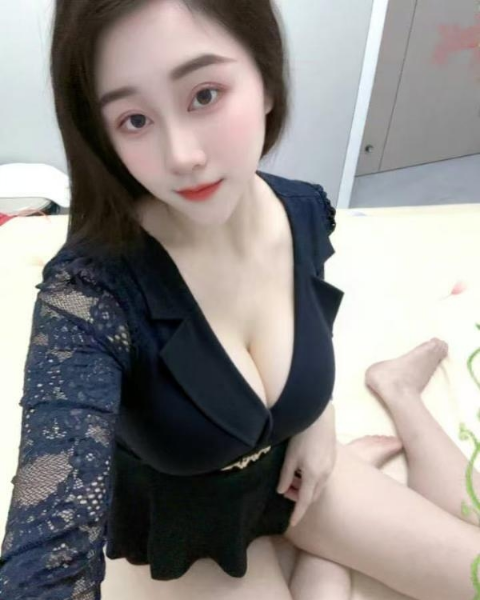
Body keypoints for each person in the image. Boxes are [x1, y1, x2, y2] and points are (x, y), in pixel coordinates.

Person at [0, 1, 478, 599]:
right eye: (134, 120)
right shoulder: (88, 298)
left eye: (204, 95)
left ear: (266, 80)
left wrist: (317, 417)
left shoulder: (305, 211)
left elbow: (309, 313)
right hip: (184, 519)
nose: (182, 156)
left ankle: (398, 391)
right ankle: (323, 554)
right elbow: (48, 547)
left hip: (292, 470)